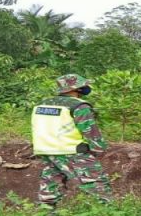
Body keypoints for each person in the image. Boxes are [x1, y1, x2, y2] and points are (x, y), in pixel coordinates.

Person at [31, 74, 112, 208]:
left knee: (50, 185)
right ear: (77, 88)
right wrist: (99, 149)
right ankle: (104, 214)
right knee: (96, 183)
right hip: (72, 150)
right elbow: (89, 130)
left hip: (45, 150)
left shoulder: (41, 104)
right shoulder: (78, 106)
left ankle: (44, 215)